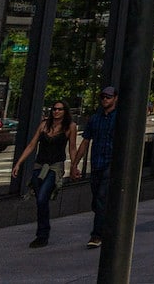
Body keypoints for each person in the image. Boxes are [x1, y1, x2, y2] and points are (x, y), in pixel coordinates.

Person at [14, 101, 77, 247]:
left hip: (55, 166)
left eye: (59, 109)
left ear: (65, 111)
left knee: (42, 198)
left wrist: (74, 166)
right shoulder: (44, 125)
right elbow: (32, 145)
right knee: (39, 199)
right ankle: (42, 231)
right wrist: (19, 163)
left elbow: (72, 148)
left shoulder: (70, 127)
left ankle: (43, 234)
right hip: (39, 165)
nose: (56, 112)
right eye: (54, 109)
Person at [72, 86, 118, 249]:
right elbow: (85, 142)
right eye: (103, 97)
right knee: (97, 201)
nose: (105, 99)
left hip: (111, 164)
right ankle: (107, 224)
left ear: (115, 99)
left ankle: (96, 235)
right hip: (97, 163)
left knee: (101, 198)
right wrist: (75, 164)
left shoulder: (119, 118)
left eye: (108, 97)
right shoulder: (95, 119)